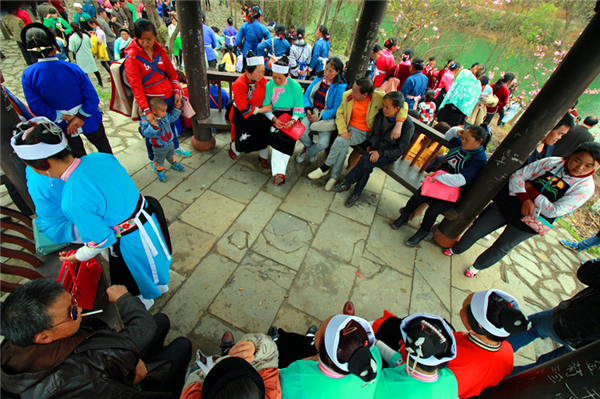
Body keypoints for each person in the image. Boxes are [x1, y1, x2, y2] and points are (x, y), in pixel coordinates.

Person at [10, 119, 173, 309]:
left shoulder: (72, 199)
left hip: (131, 239)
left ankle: (142, 305)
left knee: (136, 275)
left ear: (42, 166)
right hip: (149, 217)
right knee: (155, 259)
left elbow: (103, 240)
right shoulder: (100, 157)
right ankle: (161, 287)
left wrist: (77, 256)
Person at [0, 279, 192, 398]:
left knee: (161, 320)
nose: (80, 309)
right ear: (44, 337)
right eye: (72, 311)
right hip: (128, 384)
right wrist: (124, 299)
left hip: (117, 361)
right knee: (182, 346)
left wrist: (131, 357)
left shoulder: (15, 342)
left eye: (73, 300)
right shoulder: (79, 380)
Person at [445, 141, 600, 277]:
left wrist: (530, 189)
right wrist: (525, 199)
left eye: (589, 166)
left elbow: (554, 210)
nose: (580, 167)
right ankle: (458, 248)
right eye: (577, 160)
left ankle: (477, 266)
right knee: (479, 227)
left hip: (533, 220)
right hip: (513, 203)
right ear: (572, 155)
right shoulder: (553, 163)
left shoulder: (585, 188)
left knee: (502, 246)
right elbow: (518, 176)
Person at [21, 23, 112, 158]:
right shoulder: (72, 68)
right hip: (87, 117)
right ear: (54, 46)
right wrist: (79, 117)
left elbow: (37, 107)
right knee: (103, 147)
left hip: (62, 124)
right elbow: (92, 98)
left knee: (77, 156)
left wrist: (66, 117)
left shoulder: (29, 75)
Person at [392, 125, 490, 247]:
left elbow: (461, 180)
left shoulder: (479, 158)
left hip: (452, 190)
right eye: (463, 137)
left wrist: (436, 176)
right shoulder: (462, 145)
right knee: (417, 197)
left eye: (467, 139)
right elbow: (449, 135)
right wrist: (458, 132)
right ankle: (404, 215)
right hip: (437, 183)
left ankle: (423, 231)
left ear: (479, 141)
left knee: (433, 211)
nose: (463, 141)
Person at [308, 77, 408, 191]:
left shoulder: (378, 97)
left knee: (340, 141)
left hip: (363, 132)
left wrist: (399, 123)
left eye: (355, 90)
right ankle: (334, 177)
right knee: (342, 146)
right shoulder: (348, 95)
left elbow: (403, 105)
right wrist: (343, 130)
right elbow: (340, 114)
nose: (352, 91)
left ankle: (325, 167)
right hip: (348, 127)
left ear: (365, 95)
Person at [507, 259, 600, 375]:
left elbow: (586, 273)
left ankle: (486, 364)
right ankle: (493, 381)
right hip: (590, 347)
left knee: (531, 328)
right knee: (541, 369)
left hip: (572, 320)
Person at [123, 19, 189, 165]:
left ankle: (175, 147)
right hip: (151, 101)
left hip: (168, 96)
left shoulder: (160, 50)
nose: (146, 42)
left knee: (171, 123)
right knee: (152, 132)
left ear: (155, 36)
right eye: (142, 39)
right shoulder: (132, 57)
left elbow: (172, 74)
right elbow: (136, 86)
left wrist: (177, 93)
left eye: (149, 39)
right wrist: (146, 110)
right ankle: (153, 159)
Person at [333, 92, 414, 207]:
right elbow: (375, 133)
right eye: (383, 105)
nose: (384, 109)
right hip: (375, 148)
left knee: (365, 161)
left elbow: (399, 150)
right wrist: (373, 146)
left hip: (389, 154)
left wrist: (380, 153)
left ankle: (347, 182)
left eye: (387, 107)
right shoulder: (381, 114)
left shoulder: (407, 126)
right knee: (366, 166)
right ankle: (356, 194)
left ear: (397, 109)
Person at [279, 314, 381, 399]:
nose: (316, 334)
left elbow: (276, 383)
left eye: (318, 331)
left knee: (289, 344)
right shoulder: (373, 359)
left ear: (327, 357)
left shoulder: (298, 374)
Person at [449, 290, 528, 398]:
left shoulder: (452, 353)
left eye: (464, 307)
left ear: (477, 325)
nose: (461, 309)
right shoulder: (507, 350)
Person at [374, 313, 458, 399]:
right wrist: (376, 342)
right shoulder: (449, 378)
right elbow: (401, 364)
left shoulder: (385, 381)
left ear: (404, 347)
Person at [181, 333, 280, 398]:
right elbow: (271, 355)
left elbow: (194, 378)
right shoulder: (271, 394)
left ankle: (226, 353)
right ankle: (228, 352)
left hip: (204, 373)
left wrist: (223, 360)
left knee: (193, 369)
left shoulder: (191, 395)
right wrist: (254, 347)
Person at [261, 56, 305, 185]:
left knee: (288, 137)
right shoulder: (269, 85)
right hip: (274, 115)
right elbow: (266, 107)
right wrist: (274, 119)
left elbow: (298, 109)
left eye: (280, 78)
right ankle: (278, 173)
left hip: (291, 115)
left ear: (287, 75)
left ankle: (281, 171)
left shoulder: (295, 87)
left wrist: (292, 121)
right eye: (274, 77)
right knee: (276, 137)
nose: (276, 80)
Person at [297, 57, 347, 163]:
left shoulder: (340, 86)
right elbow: (307, 94)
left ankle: (307, 151)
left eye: (331, 71)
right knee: (301, 133)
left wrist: (320, 116)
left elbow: (336, 108)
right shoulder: (318, 77)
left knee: (323, 144)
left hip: (325, 116)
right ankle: (311, 149)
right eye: (326, 69)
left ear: (337, 72)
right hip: (312, 111)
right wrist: (308, 108)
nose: (327, 72)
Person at [228, 51, 273, 164]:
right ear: (250, 70)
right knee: (244, 136)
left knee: (265, 132)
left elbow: (267, 95)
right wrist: (262, 110)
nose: (262, 75)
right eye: (259, 72)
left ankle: (263, 156)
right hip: (243, 114)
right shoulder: (240, 84)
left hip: (260, 111)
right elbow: (243, 108)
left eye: (263, 72)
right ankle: (234, 148)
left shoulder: (262, 80)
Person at [141, 98, 185, 182]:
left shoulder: (165, 116)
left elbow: (172, 118)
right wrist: (153, 127)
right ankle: (159, 171)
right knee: (159, 160)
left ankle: (173, 164)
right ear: (153, 111)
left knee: (171, 155)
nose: (165, 112)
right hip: (159, 146)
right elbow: (146, 133)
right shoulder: (148, 120)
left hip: (169, 142)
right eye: (163, 111)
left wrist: (177, 109)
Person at [68, 22, 103, 87]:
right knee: (94, 69)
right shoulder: (85, 36)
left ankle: (88, 84)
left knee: (83, 71)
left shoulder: (72, 38)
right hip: (88, 55)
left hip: (80, 56)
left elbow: (71, 49)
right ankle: (100, 82)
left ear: (72, 28)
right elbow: (90, 45)